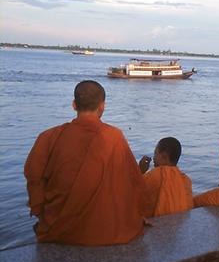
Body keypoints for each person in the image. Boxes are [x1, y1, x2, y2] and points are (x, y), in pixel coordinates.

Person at [24, 80, 147, 245]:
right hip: (109, 231)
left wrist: (42, 214)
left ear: (74, 105)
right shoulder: (114, 137)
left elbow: (33, 178)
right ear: (102, 106)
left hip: (58, 230)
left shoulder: (48, 137)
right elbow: (135, 183)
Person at [139, 137, 193, 217]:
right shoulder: (187, 180)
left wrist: (140, 171)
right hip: (181, 224)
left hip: (157, 225)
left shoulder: (155, 175)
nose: (153, 158)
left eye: (155, 153)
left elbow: (132, 192)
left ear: (163, 156)